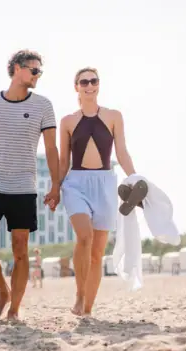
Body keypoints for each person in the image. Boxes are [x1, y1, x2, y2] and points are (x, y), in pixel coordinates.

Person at [0, 50, 60, 321]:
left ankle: (14, 309)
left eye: (40, 71)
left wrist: (55, 184)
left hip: (23, 188)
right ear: (17, 68)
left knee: (20, 251)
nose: (38, 75)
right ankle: (3, 292)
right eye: (34, 70)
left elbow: (51, 148)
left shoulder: (43, 105)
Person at [58, 67, 140, 316]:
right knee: (84, 237)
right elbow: (64, 160)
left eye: (94, 81)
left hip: (105, 184)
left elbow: (122, 153)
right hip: (75, 184)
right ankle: (79, 296)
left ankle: (87, 310)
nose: (89, 85)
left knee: (96, 254)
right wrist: (54, 188)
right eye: (84, 81)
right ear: (76, 87)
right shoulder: (68, 121)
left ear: (98, 85)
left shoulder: (114, 116)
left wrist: (134, 178)